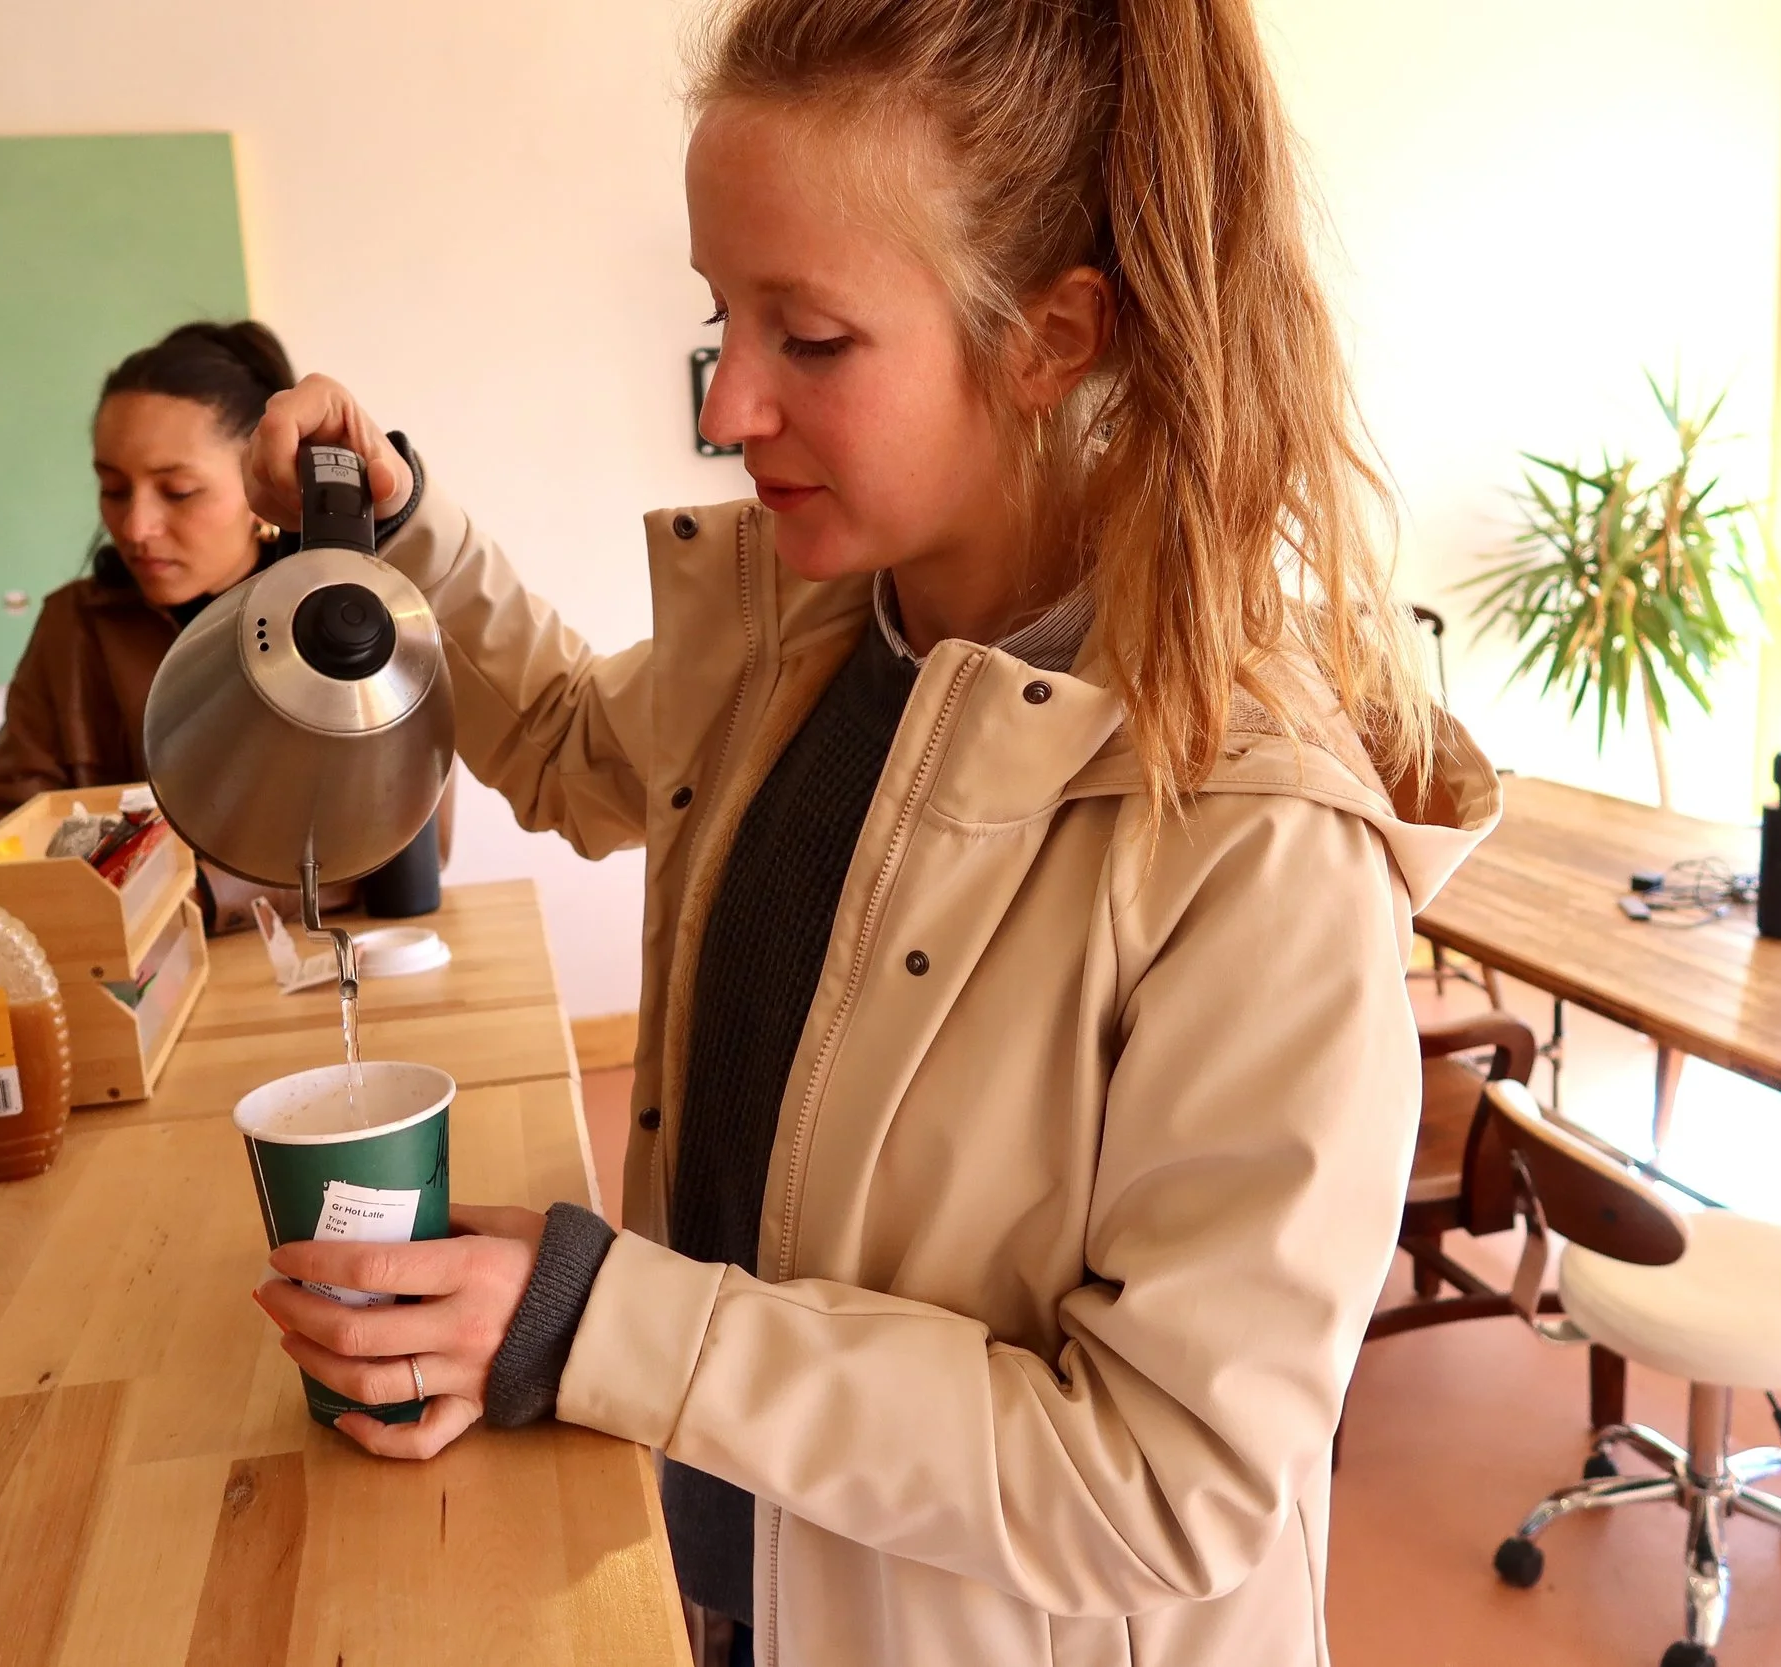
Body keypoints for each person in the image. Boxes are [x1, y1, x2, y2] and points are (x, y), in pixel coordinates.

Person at [242, 2, 1500, 1663]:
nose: (730, 403)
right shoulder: (810, 639)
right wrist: (408, 525)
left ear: (1054, 338)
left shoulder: (1254, 844)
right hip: (736, 1560)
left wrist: (602, 1317)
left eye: (810, 339)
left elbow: (1164, 1479)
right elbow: (564, 742)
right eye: (720, 318)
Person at [0, 320, 447, 921]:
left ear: (263, 485)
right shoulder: (74, 628)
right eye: (113, 489)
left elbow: (405, 842)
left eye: (177, 492)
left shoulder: (357, 620)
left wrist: (200, 891)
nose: (134, 528)